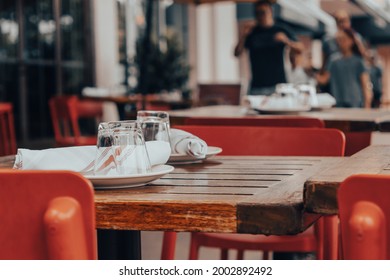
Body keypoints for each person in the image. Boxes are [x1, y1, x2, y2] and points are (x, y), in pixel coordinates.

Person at [234, 0, 303, 95]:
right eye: (257, 13)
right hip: (257, 86)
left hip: (278, 85)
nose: (260, 16)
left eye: (262, 12)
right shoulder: (252, 32)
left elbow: (300, 49)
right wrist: (243, 36)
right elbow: (236, 53)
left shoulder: (281, 29)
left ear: (270, 11)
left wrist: (286, 41)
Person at [317, 28, 372, 108]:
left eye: (344, 39)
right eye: (339, 40)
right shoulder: (333, 60)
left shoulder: (358, 61)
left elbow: (365, 84)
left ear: (351, 41)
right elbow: (324, 79)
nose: (341, 42)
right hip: (337, 101)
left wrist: (367, 104)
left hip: (355, 102)